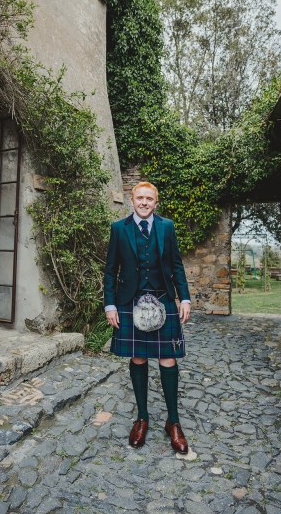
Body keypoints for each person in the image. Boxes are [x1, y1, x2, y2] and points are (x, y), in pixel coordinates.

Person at [104, 181, 191, 453]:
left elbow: (176, 264)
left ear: (156, 202)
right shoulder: (119, 229)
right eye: (139, 198)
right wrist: (110, 305)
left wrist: (184, 297)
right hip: (130, 301)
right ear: (132, 200)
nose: (144, 202)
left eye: (149, 199)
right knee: (138, 357)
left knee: (168, 358)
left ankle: (173, 422)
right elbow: (110, 271)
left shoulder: (167, 227)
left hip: (163, 299)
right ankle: (142, 417)